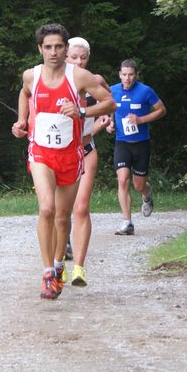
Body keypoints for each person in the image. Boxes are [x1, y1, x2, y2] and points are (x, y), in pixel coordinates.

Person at [11, 24, 115, 299]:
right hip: (41, 152)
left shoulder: (79, 76)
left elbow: (110, 103)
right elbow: (24, 92)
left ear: (65, 48)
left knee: (62, 216)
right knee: (46, 208)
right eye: (48, 47)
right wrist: (22, 120)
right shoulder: (31, 76)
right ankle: (48, 273)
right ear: (40, 49)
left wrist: (82, 111)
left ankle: (59, 265)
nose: (53, 52)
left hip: (70, 154)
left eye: (58, 46)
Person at [62, 36, 111, 287]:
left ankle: (78, 268)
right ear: (65, 57)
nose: (79, 62)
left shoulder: (95, 80)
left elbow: (110, 103)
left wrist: (102, 122)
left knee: (81, 208)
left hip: (86, 150)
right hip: (60, 153)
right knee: (59, 212)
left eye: (83, 57)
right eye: (74, 57)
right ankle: (58, 263)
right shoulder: (55, 82)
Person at [106, 59, 166, 235]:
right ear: (119, 74)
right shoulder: (112, 90)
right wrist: (109, 123)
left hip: (141, 144)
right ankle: (127, 223)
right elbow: (110, 109)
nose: (127, 78)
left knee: (139, 185)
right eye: (124, 74)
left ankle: (147, 195)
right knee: (122, 180)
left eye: (131, 74)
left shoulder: (145, 91)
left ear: (136, 75)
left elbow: (161, 110)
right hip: (122, 143)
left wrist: (141, 120)